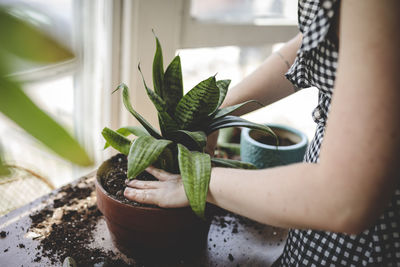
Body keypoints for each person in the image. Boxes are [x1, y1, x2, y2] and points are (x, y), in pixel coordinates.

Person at [124, 0, 400, 265]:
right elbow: (323, 42)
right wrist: (217, 112)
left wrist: (198, 184)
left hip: (369, 238)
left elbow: (344, 199)